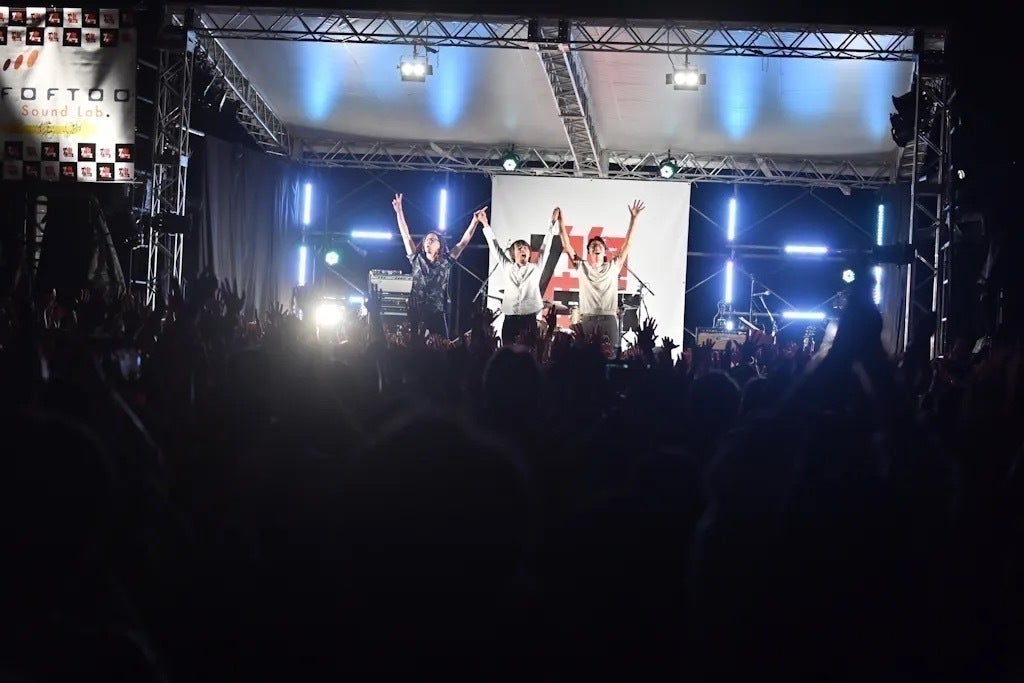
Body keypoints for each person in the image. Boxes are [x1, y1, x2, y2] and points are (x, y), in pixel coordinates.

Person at [558, 200, 645, 355]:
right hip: (588, 319)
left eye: (599, 246)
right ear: (588, 252)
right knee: (587, 357)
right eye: (592, 246)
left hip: (608, 319)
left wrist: (634, 219)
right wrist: (560, 221)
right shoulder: (582, 266)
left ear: (604, 252)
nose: (596, 247)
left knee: (610, 357)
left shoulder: (613, 266)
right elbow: (567, 245)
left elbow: (628, 244)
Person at [392, 193, 480, 338]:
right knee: (415, 346)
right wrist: (399, 212)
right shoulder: (416, 259)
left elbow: (462, 243)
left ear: (440, 245)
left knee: (442, 344)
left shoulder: (446, 262)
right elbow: (406, 236)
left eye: (433, 239)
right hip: (416, 312)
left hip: (437, 313)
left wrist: (474, 222)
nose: (428, 241)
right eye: (427, 239)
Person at [478, 206, 559, 346]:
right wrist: (485, 224)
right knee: (508, 351)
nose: (523, 249)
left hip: (529, 319)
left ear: (529, 253)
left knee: (530, 351)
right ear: (513, 254)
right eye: (519, 248)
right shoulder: (507, 267)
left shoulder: (535, 268)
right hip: (510, 319)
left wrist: (552, 224)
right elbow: (495, 247)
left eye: (525, 247)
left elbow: (545, 247)